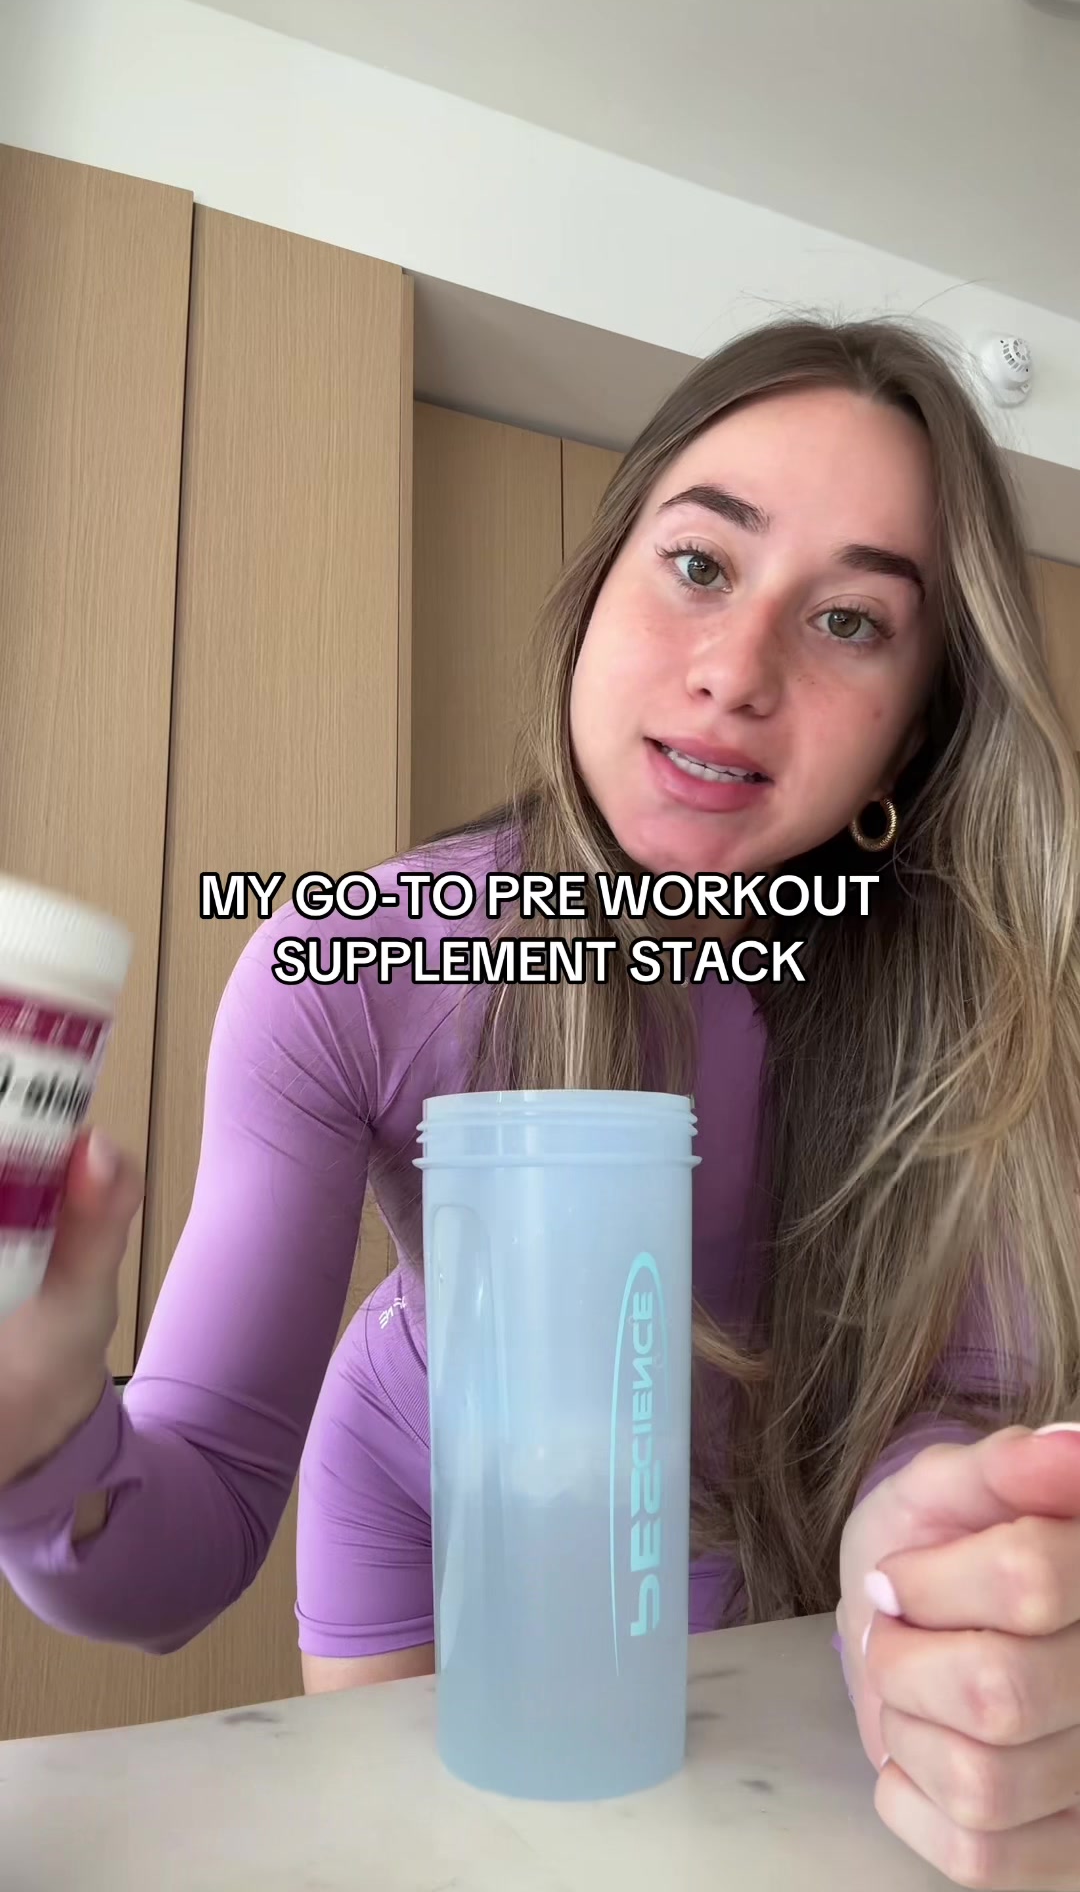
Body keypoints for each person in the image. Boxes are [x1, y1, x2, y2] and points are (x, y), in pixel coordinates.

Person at [3, 315, 1080, 1889]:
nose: (735, 673)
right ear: (596, 590)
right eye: (699, 566)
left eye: (851, 621)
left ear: (915, 727)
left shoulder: (987, 1011)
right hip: (440, 1503)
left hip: (789, 1615)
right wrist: (39, 1429)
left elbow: (947, 1424)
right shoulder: (354, 966)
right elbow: (170, 1553)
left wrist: (931, 1571)